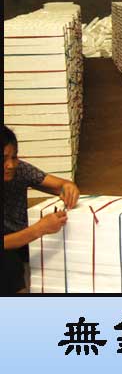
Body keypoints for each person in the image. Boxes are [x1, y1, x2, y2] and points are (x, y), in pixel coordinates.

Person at [2, 125, 80, 293]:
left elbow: (60, 185)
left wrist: (69, 187)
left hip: (21, 237)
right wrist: (39, 229)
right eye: (3, 159)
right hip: (9, 246)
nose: (10, 165)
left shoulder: (20, 170)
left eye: (14, 157)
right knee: (8, 263)